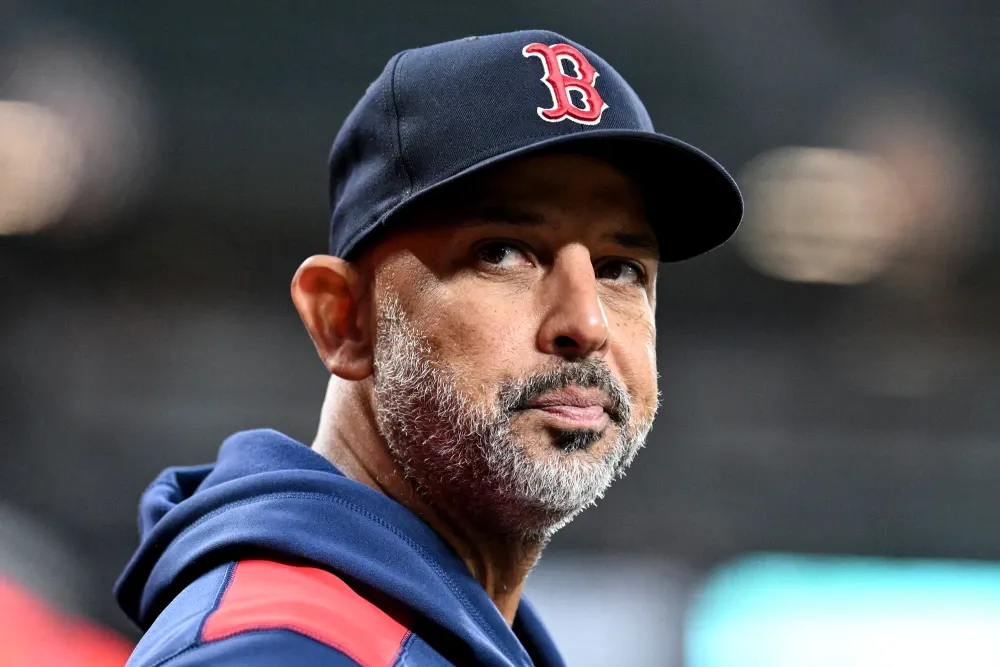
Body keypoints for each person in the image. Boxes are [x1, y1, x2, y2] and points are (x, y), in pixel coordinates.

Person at [115, 29, 742, 667]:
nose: (586, 322)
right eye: (502, 253)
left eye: (620, 268)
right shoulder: (277, 650)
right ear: (345, 320)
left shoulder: (421, 631)